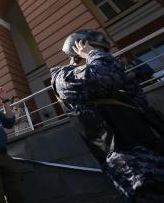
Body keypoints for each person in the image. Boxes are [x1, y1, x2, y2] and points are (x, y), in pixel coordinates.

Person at [51, 29, 164, 202]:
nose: (102, 56)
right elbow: (104, 74)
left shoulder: (107, 77)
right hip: (128, 161)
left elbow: (140, 103)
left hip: (149, 145)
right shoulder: (63, 77)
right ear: (79, 50)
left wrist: (129, 77)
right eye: (98, 51)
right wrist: (91, 54)